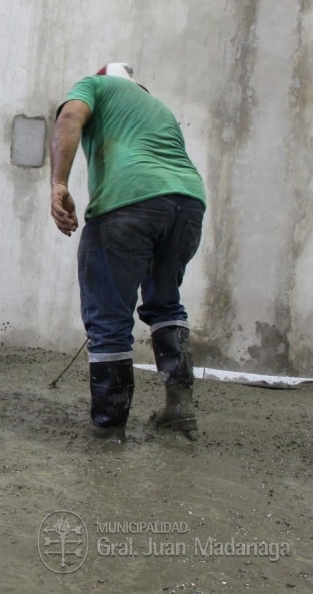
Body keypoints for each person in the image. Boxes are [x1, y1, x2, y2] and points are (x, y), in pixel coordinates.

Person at [49, 62, 206, 441]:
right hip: (187, 203)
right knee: (165, 303)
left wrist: (58, 182)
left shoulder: (95, 85)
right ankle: (179, 409)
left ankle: (109, 425)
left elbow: (70, 115)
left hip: (128, 205)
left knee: (108, 318)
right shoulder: (157, 106)